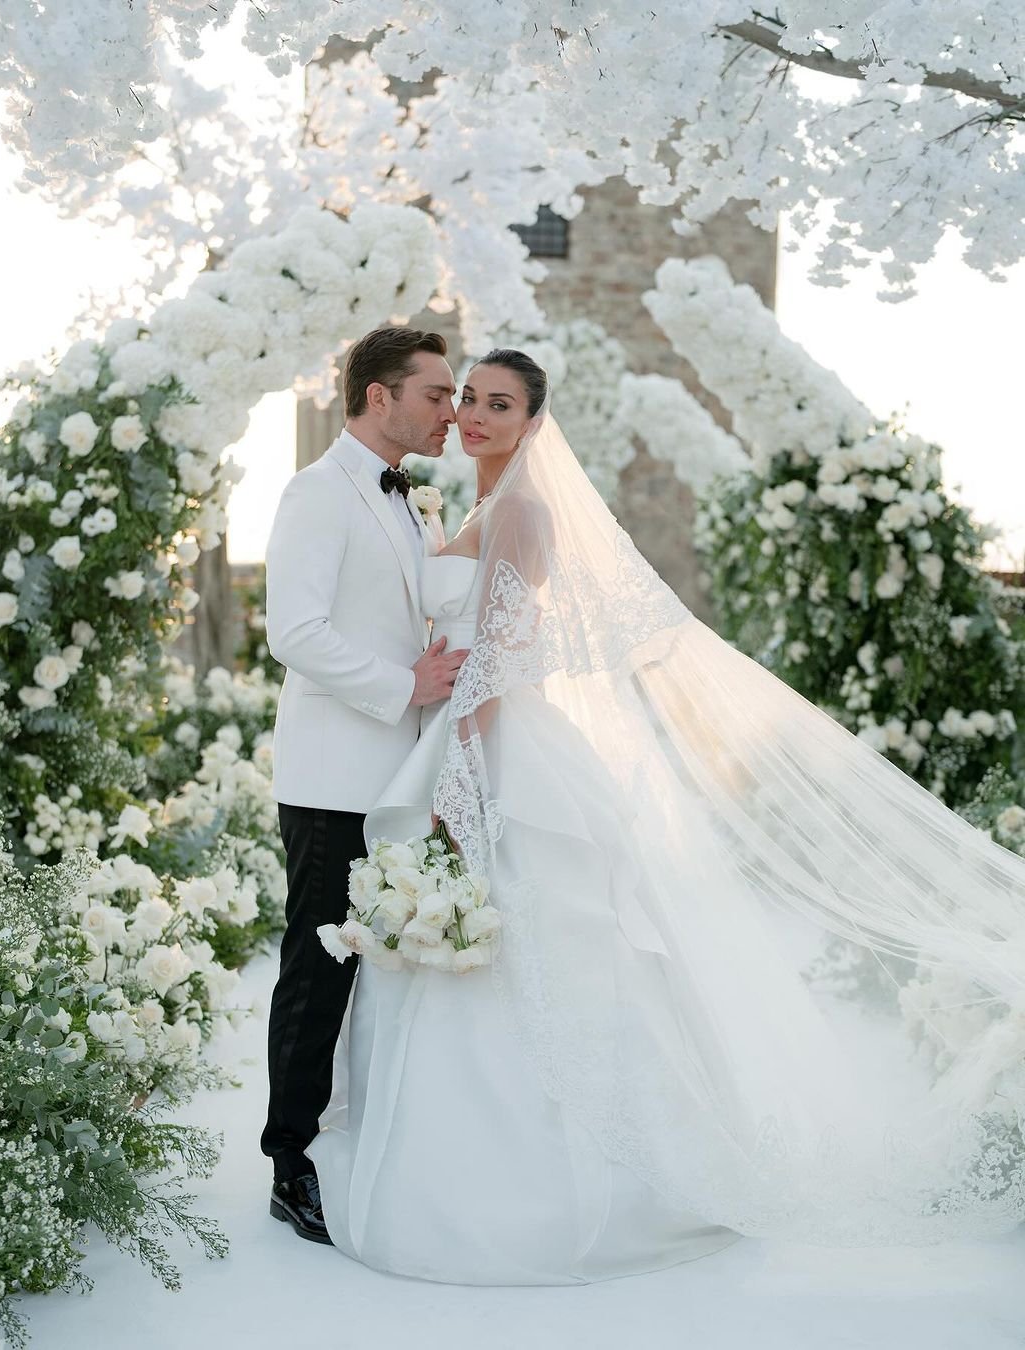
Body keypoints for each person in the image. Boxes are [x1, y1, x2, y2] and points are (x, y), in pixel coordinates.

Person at [308, 347, 1025, 1283]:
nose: (475, 416)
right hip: (465, 734)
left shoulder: (520, 511)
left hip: (495, 745)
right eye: (468, 399)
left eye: (498, 404)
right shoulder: (485, 506)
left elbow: (499, 655)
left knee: (530, 930)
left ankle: (558, 1186)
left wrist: (461, 783)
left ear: (533, 423)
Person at [261, 326, 469, 1242]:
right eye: (435, 393)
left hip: (402, 775)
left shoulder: (414, 504)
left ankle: (367, 1136)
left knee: (385, 967)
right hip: (333, 775)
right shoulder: (316, 492)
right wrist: (403, 686)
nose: (451, 411)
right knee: (319, 969)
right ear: (378, 397)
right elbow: (295, 632)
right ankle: (289, 1161)